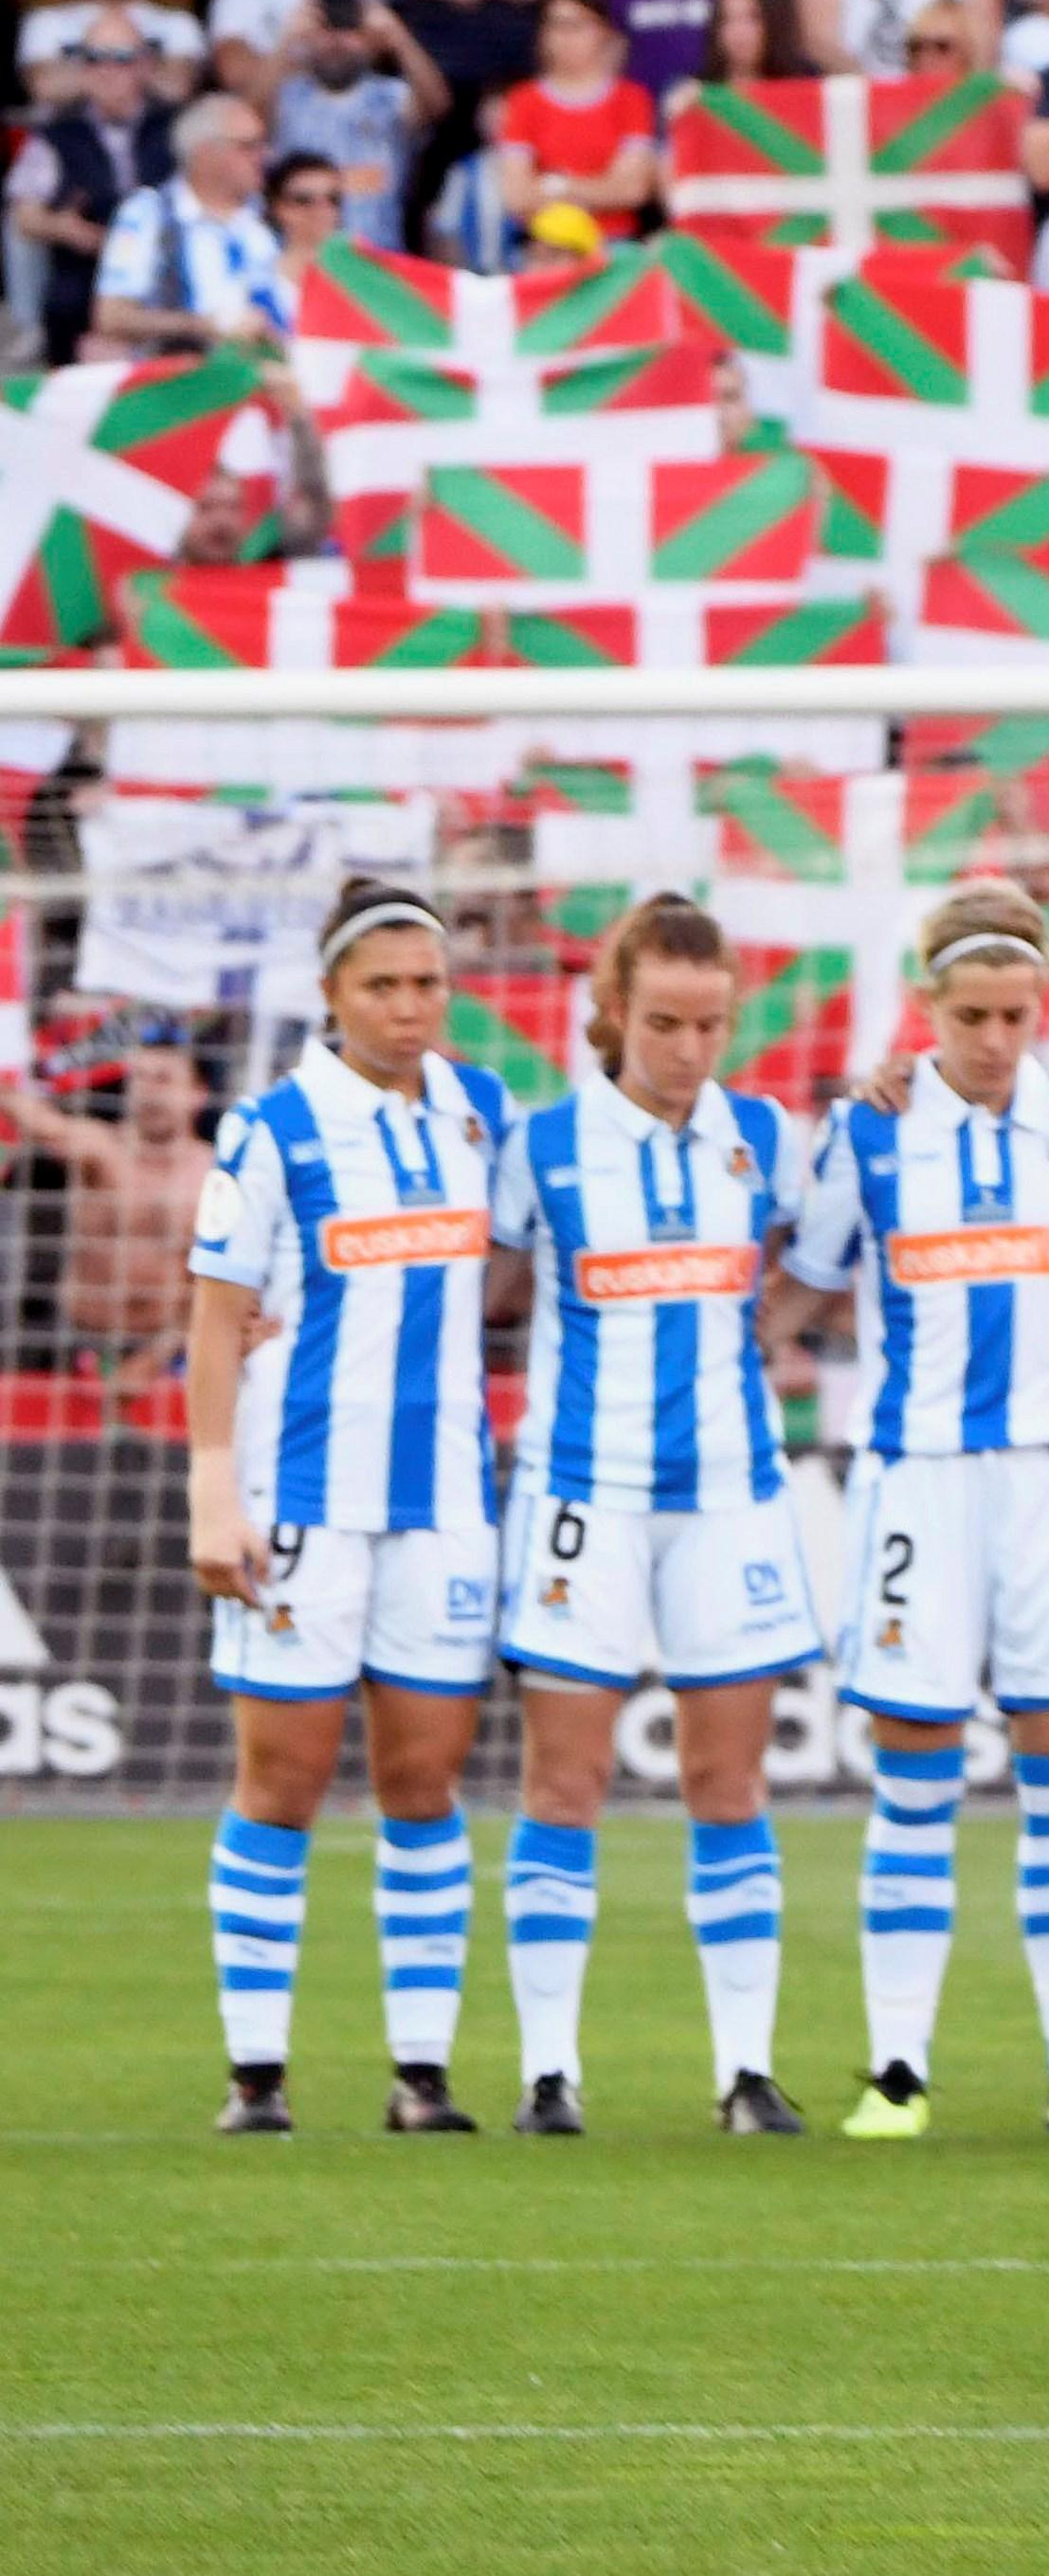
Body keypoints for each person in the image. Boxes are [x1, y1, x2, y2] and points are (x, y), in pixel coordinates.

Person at [785, 884, 1049, 2132]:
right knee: (916, 1780)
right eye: (972, 1016)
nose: (998, 1039)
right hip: (918, 1485)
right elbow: (797, 1288)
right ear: (927, 1005)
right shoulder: (866, 1134)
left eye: (1018, 1012)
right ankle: (897, 2070)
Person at [187, 883, 527, 2133]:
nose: (408, 1006)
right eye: (382, 985)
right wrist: (212, 1495)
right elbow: (216, 1322)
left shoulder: (484, 1110)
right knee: (283, 1780)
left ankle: (421, 2074)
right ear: (332, 996)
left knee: (427, 1778)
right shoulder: (272, 1130)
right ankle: (256, 2074)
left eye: (427, 982)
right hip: (302, 1502)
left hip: (443, 1501)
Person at [487, 896, 826, 2133]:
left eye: (713, 1025)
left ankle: (745, 2071)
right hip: (585, 1498)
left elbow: (826, 1258)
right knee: (563, 1786)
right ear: (615, 1013)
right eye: (667, 1023)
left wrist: (766, 1334)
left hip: (729, 1502)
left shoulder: (767, 1139)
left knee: (726, 1785)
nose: (690, 1049)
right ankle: (547, 2073)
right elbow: (481, 1286)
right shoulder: (540, 1148)